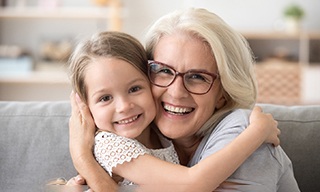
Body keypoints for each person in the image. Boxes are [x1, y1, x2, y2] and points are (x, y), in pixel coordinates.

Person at [68, 8, 299, 192]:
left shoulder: (238, 129)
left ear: (223, 93)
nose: (176, 92)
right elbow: (191, 184)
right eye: (164, 71)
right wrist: (82, 159)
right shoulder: (127, 139)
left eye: (197, 77)